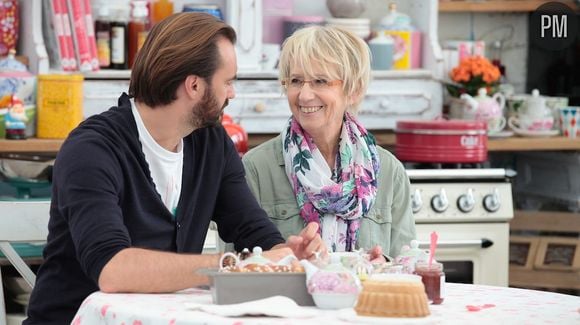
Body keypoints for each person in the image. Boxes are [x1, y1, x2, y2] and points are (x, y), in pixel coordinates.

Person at [24, 13, 324, 325]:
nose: (232, 94)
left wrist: (286, 255)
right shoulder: (92, 150)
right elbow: (112, 270)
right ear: (194, 85)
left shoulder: (211, 143)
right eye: (228, 82)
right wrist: (233, 266)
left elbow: (252, 230)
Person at [242, 26, 415, 261]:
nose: (303, 95)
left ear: (353, 90)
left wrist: (383, 265)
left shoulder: (389, 171)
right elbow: (233, 266)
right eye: (295, 80)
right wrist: (286, 262)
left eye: (320, 81)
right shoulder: (255, 169)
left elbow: (408, 267)